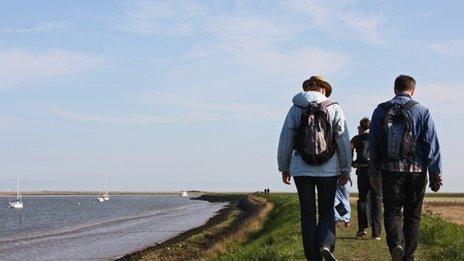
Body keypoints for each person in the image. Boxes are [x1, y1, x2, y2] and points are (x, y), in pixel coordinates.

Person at [369, 75, 443, 261]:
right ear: (413, 90)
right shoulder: (422, 111)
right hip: (417, 171)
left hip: (390, 170)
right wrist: (435, 172)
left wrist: (373, 171)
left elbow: (374, 143)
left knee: (393, 212)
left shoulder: (381, 110)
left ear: (394, 89)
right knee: (412, 215)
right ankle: (408, 255)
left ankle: (396, 244)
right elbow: (431, 144)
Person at [278, 75, 351, 261]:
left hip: (301, 169)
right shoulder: (334, 107)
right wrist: (345, 169)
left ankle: (312, 257)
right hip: (329, 168)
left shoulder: (295, 108)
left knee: (307, 212)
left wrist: (284, 167)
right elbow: (342, 139)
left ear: (307, 89)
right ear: (324, 90)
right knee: (326, 209)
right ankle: (325, 245)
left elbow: (286, 139)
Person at [351, 117, 382, 240]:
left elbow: (349, 147)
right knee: (377, 200)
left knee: (363, 198)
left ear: (362, 127)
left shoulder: (358, 138)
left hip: (363, 171)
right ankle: (377, 232)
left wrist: (352, 163)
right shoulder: (378, 137)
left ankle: (362, 228)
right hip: (377, 172)